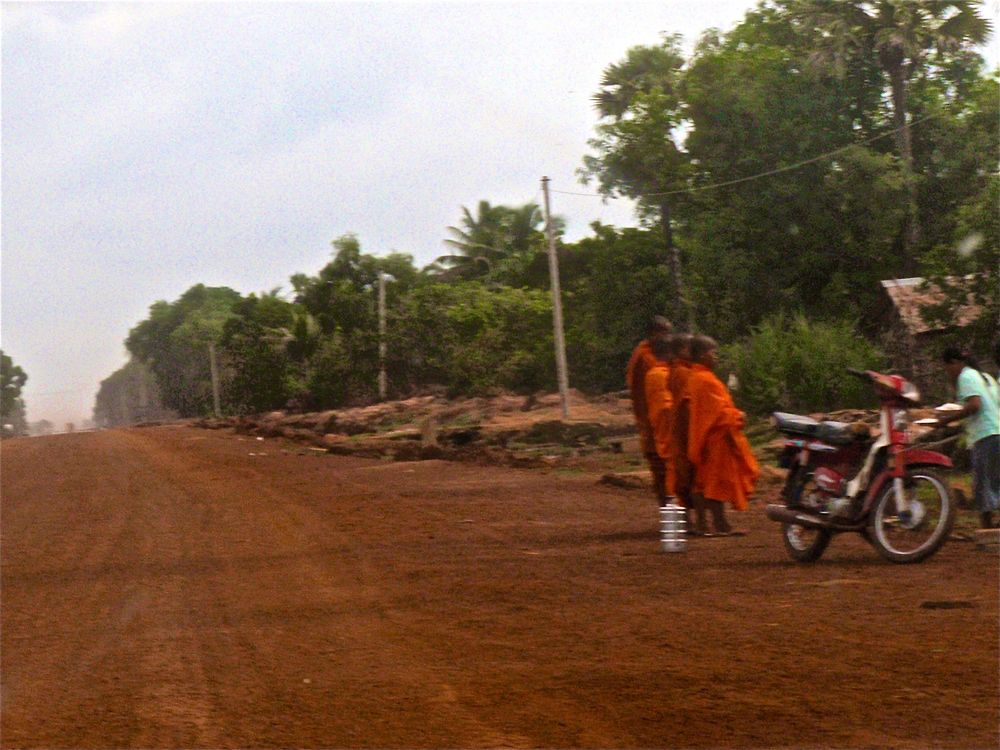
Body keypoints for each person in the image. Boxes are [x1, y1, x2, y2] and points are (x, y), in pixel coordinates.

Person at [685, 335, 759, 536]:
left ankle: (707, 524)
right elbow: (717, 412)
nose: (715, 357)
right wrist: (738, 416)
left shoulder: (697, 376)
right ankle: (718, 524)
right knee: (715, 481)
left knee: (704, 480)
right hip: (715, 437)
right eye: (712, 353)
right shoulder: (704, 379)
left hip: (707, 437)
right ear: (701, 355)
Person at [937, 347, 1000, 529]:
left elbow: (974, 405)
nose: (948, 372)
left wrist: (945, 421)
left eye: (947, 368)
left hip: (985, 434)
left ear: (954, 363)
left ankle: (986, 530)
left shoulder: (965, 376)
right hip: (996, 430)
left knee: (982, 484)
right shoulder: (985, 377)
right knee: (995, 481)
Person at [626, 316, 673, 506]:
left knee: (671, 475)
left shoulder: (657, 360)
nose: (668, 337)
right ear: (654, 334)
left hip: (662, 422)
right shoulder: (644, 358)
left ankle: (679, 522)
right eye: (665, 332)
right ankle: (673, 525)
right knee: (664, 474)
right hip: (652, 421)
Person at [666, 334, 698, 528]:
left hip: (684, 426)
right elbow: (687, 402)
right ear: (680, 351)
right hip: (685, 427)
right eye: (689, 348)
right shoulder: (681, 372)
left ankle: (690, 520)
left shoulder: (682, 370)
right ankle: (687, 521)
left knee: (687, 473)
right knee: (686, 474)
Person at [643, 336, 674, 507]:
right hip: (668, 433)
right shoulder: (660, 375)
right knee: (672, 480)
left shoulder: (654, 374)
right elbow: (666, 407)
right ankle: (678, 526)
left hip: (660, 432)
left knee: (668, 479)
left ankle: (678, 525)